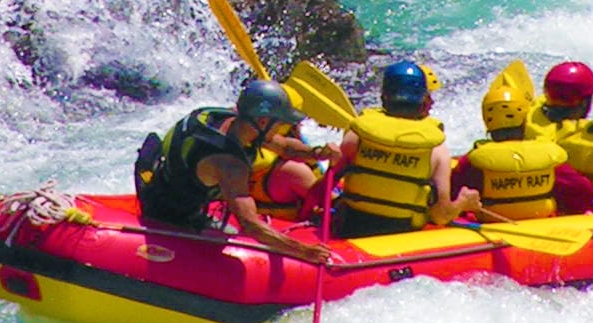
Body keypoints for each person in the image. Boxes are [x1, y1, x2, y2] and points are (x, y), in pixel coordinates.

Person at [134, 79, 333, 263]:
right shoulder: (230, 166)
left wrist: (319, 153)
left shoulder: (226, 118)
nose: (281, 128)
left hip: (160, 181)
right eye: (280, 123)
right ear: (263, 121)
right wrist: (304, 252)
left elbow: (285, 147)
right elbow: (251, 226)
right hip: (169, 214)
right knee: (232, 236)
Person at [330, 59, 479, 238]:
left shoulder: (357, 135)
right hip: (402, 234)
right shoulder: (436, 149)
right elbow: (441, 215)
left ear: (384, 95)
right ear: (423, 99)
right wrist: (463, 202)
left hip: (352, 227)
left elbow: (328, 184)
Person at [452, 83, 593, 219]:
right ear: (525, 120)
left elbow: (453, 195)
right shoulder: (546, 157)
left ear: (487, 121)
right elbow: (584, 191)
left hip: (491, 223)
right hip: (542, 221)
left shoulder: (473, 160)